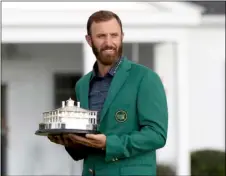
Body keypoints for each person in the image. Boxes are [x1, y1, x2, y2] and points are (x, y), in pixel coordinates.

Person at [48, 10, 168, 176]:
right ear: (89, 40)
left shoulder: (145, 78)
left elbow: (157, 135)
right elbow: (88, 140)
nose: (109, 42)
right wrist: (70, 142)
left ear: (122, 36)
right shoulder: (82, 85)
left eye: (114, 35)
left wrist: (108, 144)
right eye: (101, 36)